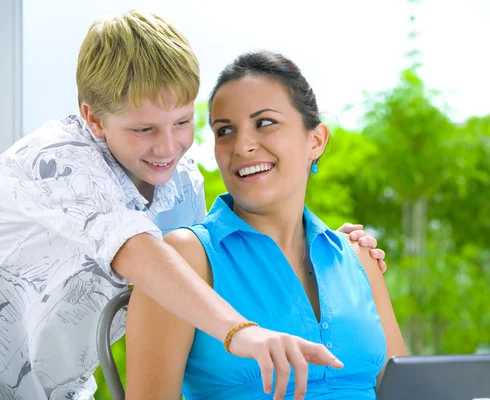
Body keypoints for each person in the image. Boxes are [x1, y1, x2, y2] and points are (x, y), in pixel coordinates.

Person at [0, 11, 388, 400]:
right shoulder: (55, 159)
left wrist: (324, 256)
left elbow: (195, 273)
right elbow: (141, 253)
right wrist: (241, 331)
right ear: (95, 120)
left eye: (182, 122)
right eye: (144, 129)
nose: (169, 147)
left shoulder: (181, 182)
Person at [126, 50, 407, 400]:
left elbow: (407, 388)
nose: (242, 145)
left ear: (316, 141)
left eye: (264, 123)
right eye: (224, 131)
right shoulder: (185, 258)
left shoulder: (358, 258)